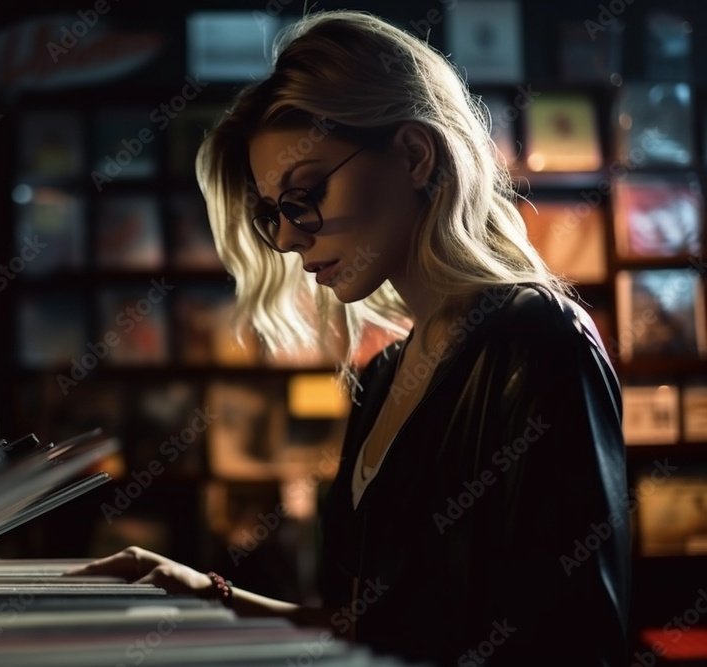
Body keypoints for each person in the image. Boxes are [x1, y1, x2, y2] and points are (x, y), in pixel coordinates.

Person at [69, 10, 629, 666]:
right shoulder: (387, 371)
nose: (284, 237)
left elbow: (574, 642)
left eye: (304, 194)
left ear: (416, 155)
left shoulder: (533, 343)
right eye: (271, 213)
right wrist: (207, 594)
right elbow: (377, 628)